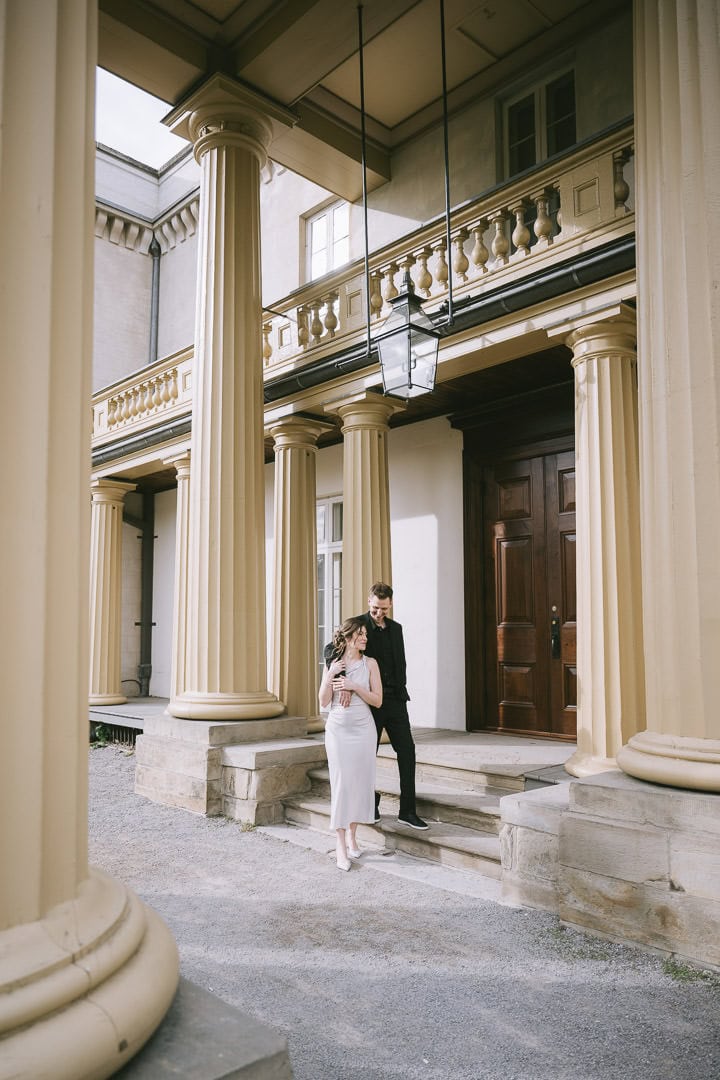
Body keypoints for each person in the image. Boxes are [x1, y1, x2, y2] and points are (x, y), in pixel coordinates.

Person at [326, 583, 429, 831]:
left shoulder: (397, 628)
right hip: (369, 704)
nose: (379, 613)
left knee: (407, 751)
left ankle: (407, 811)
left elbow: (399, 662)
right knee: (365, 757)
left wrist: (401, 689)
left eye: (383, 609)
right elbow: (331, 650)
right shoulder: (358, 626)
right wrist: (344, 684)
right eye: (375, 609)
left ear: (390, 604)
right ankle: (369, 803)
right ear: (368, 601)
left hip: (396, 700)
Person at [319, 616, 382, 871]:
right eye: (360, 634)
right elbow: (323, 701)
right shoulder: (334, 663)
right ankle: (340, 846)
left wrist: (353, 686)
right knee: (342, 784)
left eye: (366, 634)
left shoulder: (371, 664)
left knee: (358, 784)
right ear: (348, 637)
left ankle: (353, 838)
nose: (365, 638)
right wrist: (330, 676)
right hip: (338, 730)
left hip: (364, 729)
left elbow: (377, 700)